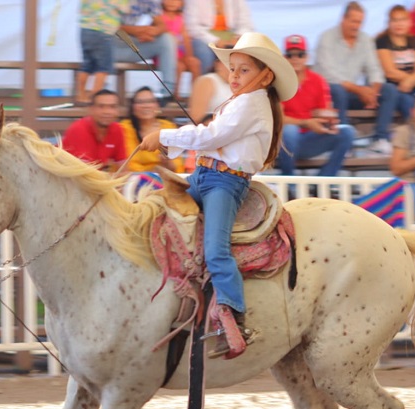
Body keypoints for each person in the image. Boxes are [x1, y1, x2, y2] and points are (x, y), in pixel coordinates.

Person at [137, 32, 297, 359]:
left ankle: (234, 315)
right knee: (157, 214)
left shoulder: (254, 103)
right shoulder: (240, 102)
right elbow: (211, 137)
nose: (234, 76)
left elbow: (212, 135)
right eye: (232, 69)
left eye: (243, 70)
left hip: (224, 184)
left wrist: (164, 135)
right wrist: (169, 141)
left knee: (216, 248)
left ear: (266, 76)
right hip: (203, 177)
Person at [314, 1, 400, 155]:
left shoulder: (365, 40)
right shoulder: (326, 38)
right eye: (353, 21)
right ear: (343, 19)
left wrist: (373, 92)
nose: (356, 26)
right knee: (337, 89)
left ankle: (380, 139)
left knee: (389, 90)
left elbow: (374, 69)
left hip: (353, 93)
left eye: (360, 22)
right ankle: (344, 140)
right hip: (329, 95)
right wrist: (360, 90)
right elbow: (329, 75)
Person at [276, 34, 356, 179]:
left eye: (300, 55)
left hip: (310, 137)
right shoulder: (277, 81)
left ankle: (323, 181)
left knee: (347, 132)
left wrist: (328, 121)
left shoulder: (318, 80)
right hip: (283, 142)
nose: (295, 59)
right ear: (284, 58)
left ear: (306, 57)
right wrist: (306, 122)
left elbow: (323, 112)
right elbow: (278, 119)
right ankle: (289, 183)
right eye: (290, 55)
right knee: (289, 131)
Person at [376, 5, 415, 120]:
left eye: (402, 20)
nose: (399, 24)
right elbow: (390, 72)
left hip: (413, 85)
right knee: (409, 103)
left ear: (409, 22)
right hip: (394, 88)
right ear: (389, 23)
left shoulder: (413, 40)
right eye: (395, 20)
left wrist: (410, 81)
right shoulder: (382, 41)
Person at [115, 0, 178, 97]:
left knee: (167, 39)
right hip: (113, 45)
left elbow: (162, 25)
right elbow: (108, 26)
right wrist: (136, 30)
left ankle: (167, 93)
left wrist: (152, 31)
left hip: (135, 43)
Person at [120, 86, 184, 172]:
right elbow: (127, 164)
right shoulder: (124, 127)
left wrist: (168, 163)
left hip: (165, 178)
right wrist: (154, 171)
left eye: (150, 101)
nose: (146, 106)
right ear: (132, 107)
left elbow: (178, 165)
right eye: (140, 102)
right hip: (135, 179)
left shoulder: (168, 127)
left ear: (157, 106)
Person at [184, 0, 254, 75]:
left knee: (251, 50)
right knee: (204, 52)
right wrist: (216, 41)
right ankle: (206, 82)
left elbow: (245, 23)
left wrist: (238, 37)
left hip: (230, 35)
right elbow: (192, 27)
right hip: (202, 36)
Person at [76, 0, 126, 104]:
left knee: (87, 66)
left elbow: (81, 9)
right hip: (103, 32)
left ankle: (80, 95)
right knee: (103, 68)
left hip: (85, 30)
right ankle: (95, 97)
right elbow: (124, 9)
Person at [62, 90, 127, 169]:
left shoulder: (117, 129)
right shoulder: (78, 129)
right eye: (101, 106)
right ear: (91, 109)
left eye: (112, 107)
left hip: (96, 177)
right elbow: (84, 173)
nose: (107, 111)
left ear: (118, 111)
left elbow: (123, 167)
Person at [161, 0, 201, 96]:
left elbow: (186, 38)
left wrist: (189, 56)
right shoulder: (159, 16)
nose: (172, 2)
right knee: (180, 66)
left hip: (178, 53)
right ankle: (175, 95)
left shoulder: (180, 18)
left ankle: (194, 96)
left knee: (195, 63)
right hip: (164, 55)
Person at [187, 45, 232, 123]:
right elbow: (196, 117)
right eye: (229, 63)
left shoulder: (239, 85)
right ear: (218, 64)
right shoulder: (207, 81)